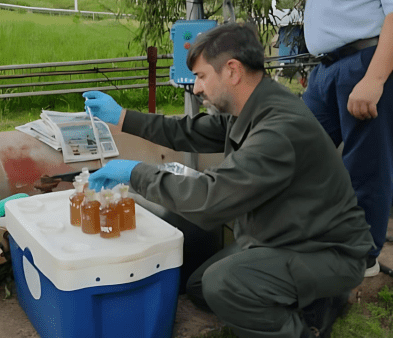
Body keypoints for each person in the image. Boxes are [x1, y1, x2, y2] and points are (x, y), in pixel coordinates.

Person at [82, 23, 374, 337]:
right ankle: (301, 299)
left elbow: (208, 200)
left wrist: (133, 173)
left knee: (223, 284)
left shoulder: (278, 130)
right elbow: (188, 132)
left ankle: (308, 323)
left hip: (325, 251)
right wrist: (122, 117)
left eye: (201, 76)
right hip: (284, 235)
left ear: (232, 71)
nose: (195, 88)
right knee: (200, 286)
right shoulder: (253, 107)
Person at [302, 0, 393, 278]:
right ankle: (311, 238)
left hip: (365, 61)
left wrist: (375, 79)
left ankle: (361, 257)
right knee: (292, 151)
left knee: (365, 164)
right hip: (325, 68)